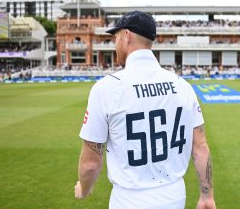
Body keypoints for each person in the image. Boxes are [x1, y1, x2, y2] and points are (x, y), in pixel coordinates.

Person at [74, 11, 216, 209]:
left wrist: (83, 189)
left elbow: (91, 163)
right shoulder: (182, 85)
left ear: (126, 35)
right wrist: (206, 196)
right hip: (174, 195)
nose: (115, 44)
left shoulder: (106, 88)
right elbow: (200, 147)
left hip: (129, 199)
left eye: (115, 38)